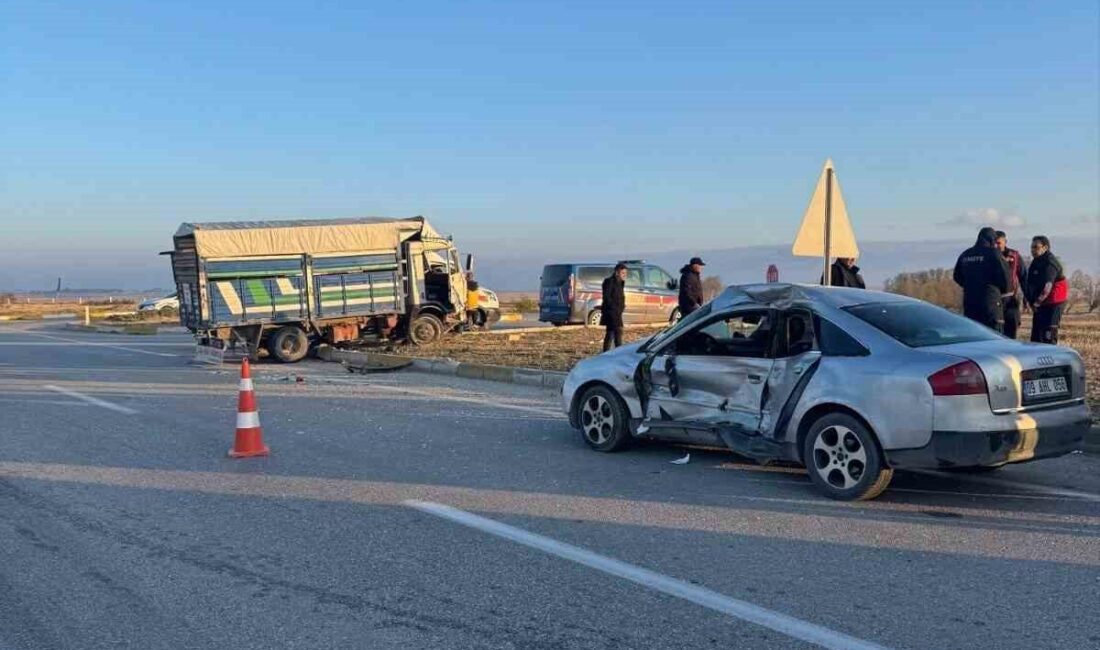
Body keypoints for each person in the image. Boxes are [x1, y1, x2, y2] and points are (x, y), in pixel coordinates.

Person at [953, 227, 1011, 331]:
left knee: (975, 338)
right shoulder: (994, 254)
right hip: (991, 303)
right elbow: (1006, 278)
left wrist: (970, 285)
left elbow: (957, 276)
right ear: (991, 240)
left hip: (970, 304)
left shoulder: (965, 254)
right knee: (994, 339)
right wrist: (1000, 291)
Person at [1024, 235, 1068, 344]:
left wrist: (1036, 304)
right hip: (1041, 302)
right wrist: (1027, 300)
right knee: (1036, 334)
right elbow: (1029, 283)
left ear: (1045, 248)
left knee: (1049, 333)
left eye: (1036, 247)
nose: (1033, 250)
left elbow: (1047, 287)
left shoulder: (1050, 263)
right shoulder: (1035, 262)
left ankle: (1051, 356)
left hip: (1054, 302)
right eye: (1031, 247)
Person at [994, 231, 1027, 339]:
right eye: (994, 243)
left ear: (1005, 242)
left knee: (1011, 331)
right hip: (994, 300)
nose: (996, 246)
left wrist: (1027, 299)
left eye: (998, 243)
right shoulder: (989, 256)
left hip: (1011, 300)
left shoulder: (1014, 255)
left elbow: (1023, 277)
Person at [600, 264, 627, 351]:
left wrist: (622, 307)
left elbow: (620, 297)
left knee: (611, 333)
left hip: (618, 312)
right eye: (622, 273)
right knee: (617, 333)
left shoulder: (621, 283)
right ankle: (616, 353)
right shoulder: (609, 282)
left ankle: (607, 352)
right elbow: (607, 297)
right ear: (617, 273)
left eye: (625, 273)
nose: (624, 275)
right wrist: (613, 308)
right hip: (611, 312)